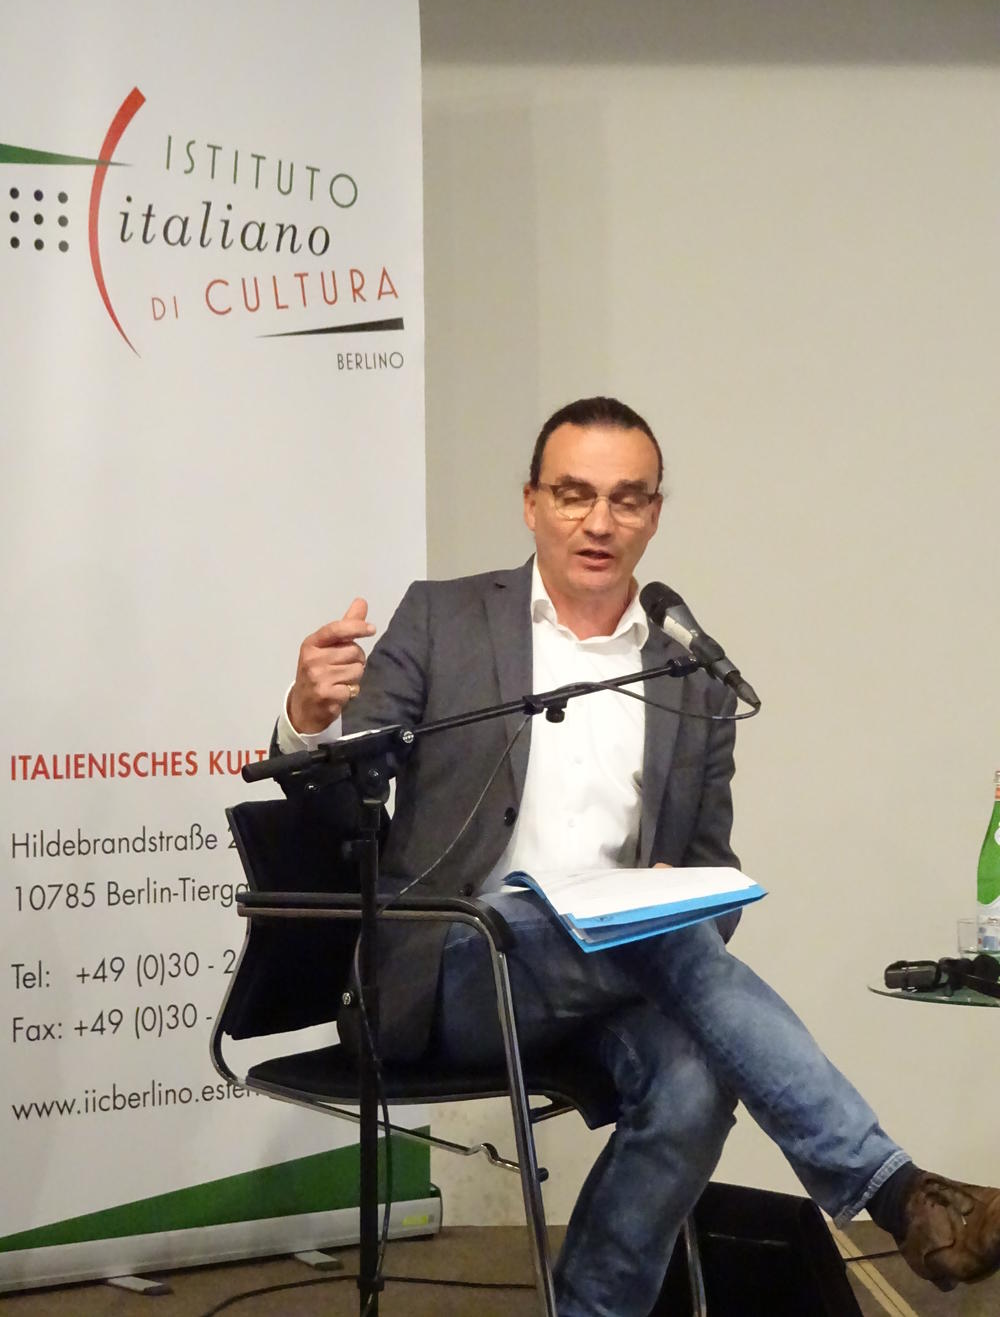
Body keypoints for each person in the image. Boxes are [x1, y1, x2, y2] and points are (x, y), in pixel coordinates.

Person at [274, 396, 1000, 1316]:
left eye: (626, 498)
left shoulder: (690, 675)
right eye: (574, 493)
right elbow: (344, 803)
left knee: (694, 1079)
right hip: (456, 966)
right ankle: (896, 1190)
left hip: (610, 982)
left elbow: (712, 884)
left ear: (654, 514)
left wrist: (675, 898)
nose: (599, 521)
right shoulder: (443, 619)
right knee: (651, 931)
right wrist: (307, 720)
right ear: (531, 502)